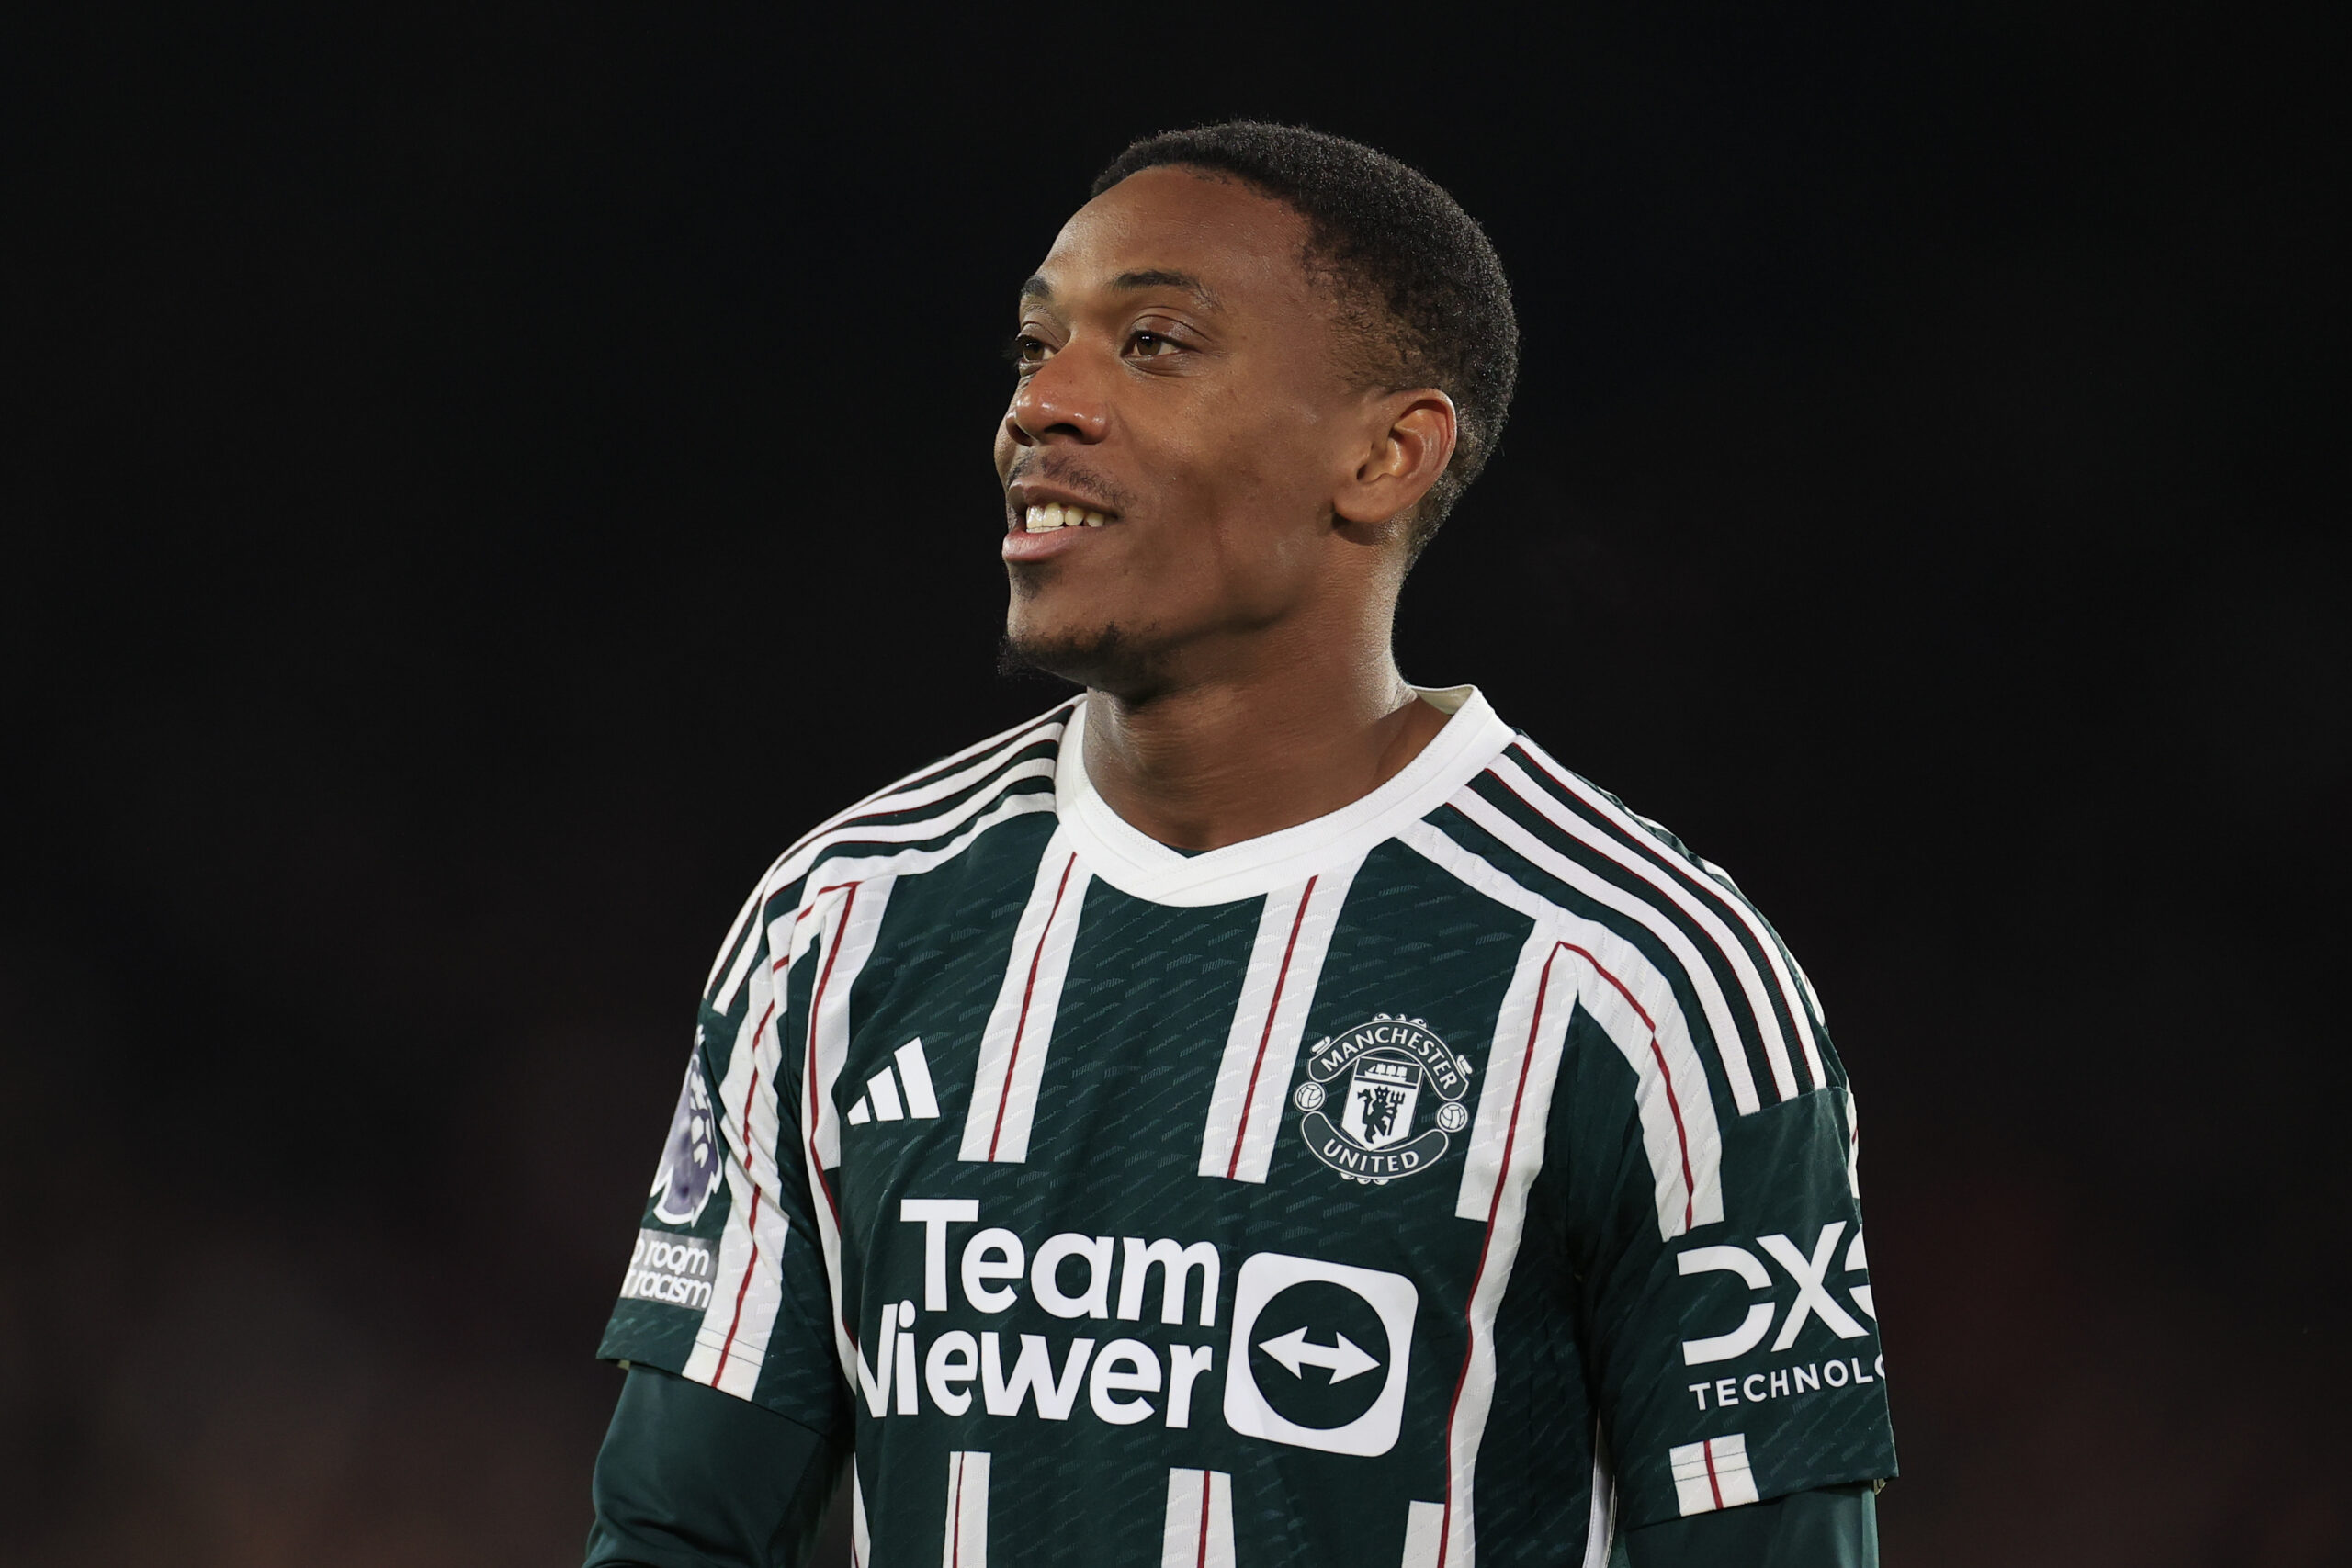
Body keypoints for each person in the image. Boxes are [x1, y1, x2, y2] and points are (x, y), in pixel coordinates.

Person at [583, 121, 1894, 1568]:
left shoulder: (1643, 981)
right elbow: (673, 1535)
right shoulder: (843, 921)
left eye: (1151, 343)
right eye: (1034, 347)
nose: (1044, 404)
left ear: (1387, 455)